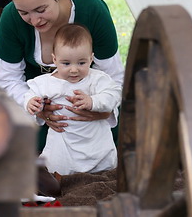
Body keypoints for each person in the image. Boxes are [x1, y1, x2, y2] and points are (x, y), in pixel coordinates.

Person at [0, 0, 124, 152]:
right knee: (26, 145)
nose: (34, 20)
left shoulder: (91, 9)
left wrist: (101, 110)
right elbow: (8, 79)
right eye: (24, 13)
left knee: (103, 146)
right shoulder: (11, 17)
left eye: (41, 10)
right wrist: (36, 107)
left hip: (89, 95)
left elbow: (115, 77)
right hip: (38, 95)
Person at [24, 24, 121, 175]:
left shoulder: (97, 79)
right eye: (66, 63)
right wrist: (32, 103)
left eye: (81, 63)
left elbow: (114, 94)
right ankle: (57, 177)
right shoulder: (46, 83)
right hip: (64, 140)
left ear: (91, 59)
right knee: (57, 165)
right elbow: (30, 94)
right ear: (54, 60)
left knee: (104, 165)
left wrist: (93, 101)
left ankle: (102, 173)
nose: (74, 69)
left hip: (95, 140)